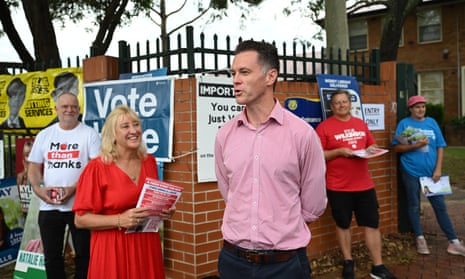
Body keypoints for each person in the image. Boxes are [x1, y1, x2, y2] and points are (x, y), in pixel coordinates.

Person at [214, 40, 327, 279]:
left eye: (244, 72)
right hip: (233, 262)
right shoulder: (225, 134)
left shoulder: (302, 134)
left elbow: (313, 204)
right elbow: (229, 191)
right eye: (233, 73)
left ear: (270, 76)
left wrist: (281, 225)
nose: (235, 79)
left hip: (284, 265)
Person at [73, 105, 176, 279]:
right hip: (112, 247)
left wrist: (163, 209)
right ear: (112, 135)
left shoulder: (149, 161)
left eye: (136, 124)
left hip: (146, 244)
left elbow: (149, 200)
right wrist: (120, 219)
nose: (134, 130)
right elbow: (80, 220)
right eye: (125, 126)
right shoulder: (97, 168)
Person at [315, 90, 397, 279]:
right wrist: (338, 152)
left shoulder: (360, 124)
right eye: (337, 103)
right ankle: (348, 261)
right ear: (332, 106)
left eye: (345, 101)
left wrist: (371, 149)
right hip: (338, 186)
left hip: (364, 185)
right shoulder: (324, 127)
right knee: (343, 225)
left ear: (350, 103)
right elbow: (318, 155)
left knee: (372, 224)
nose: (342, 105)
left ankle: (378, 266)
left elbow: (372, 145)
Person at [27, 91, 101, 279]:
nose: (70, 110)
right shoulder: (45, 135)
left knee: (84, 256)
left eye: (74, 107)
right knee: (52, 257)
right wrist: (38, 189)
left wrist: (73, 189)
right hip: (48, 205)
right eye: (65, 106)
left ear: (79, 110)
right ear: (56, 109)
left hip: (81, 206)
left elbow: (96, 170)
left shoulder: (89, 134)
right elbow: (33, 166)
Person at [392, 95, 465, 257]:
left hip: (432, 174)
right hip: (410, 170)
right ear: (410, 109)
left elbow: (440, 146)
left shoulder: (432, 123)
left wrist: (438, 169)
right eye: (417, 107)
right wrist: (417, 145)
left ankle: (453, 242)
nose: (420, 110)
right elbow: (396, 148)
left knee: (440, 206)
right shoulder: (405, 124)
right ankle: (420, 238)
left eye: (423, 106)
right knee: (413, 205)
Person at [16, 140, 34, 214]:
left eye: (32, 154)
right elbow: (19, 196)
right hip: (25, 210)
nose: (29, 158)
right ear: (23, 158)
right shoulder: (21, 176)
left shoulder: (41, 177)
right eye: (27, 155)